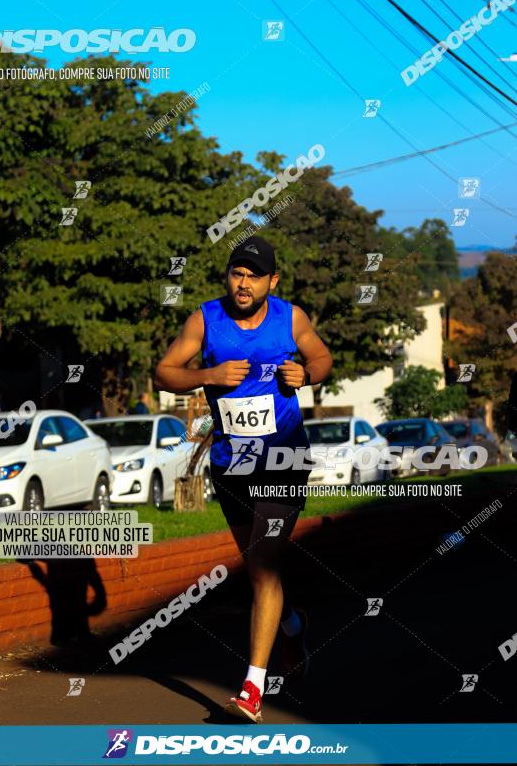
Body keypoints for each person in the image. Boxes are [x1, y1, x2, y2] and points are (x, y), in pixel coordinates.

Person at [155, 236, 332, 722]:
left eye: (254, 275)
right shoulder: (205, 319)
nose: (244, 283)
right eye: (237, 273)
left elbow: (322, 357)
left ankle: (252, 690)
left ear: (272, 281)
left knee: (266, 566)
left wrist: (306, 374)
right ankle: (293, 627)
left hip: (283, 460)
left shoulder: (289, 318)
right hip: (233, 463)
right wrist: (207, 376)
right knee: (258, 569)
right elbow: (165, 371)